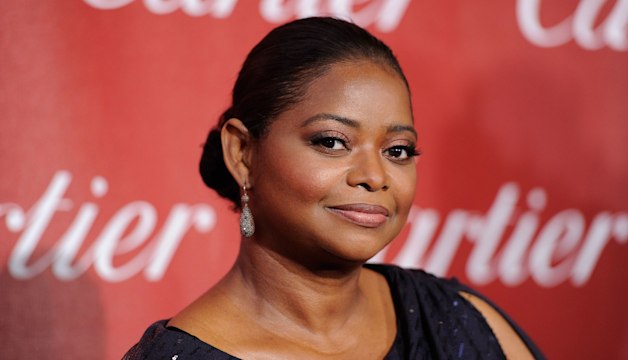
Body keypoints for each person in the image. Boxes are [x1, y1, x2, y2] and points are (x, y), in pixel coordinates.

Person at [124, 17, 544, 359]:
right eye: (331, 142)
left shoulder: (453, 320)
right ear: (242, 152)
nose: (375, 176)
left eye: (398, 150)